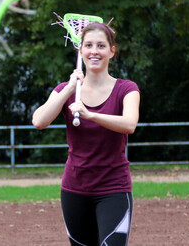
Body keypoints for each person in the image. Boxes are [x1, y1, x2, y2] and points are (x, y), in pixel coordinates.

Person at [32, 21, 140, 246]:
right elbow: (39, 121)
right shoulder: (66, 89)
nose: (94, 51)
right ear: (80, 51)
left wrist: (90, 115)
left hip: (114, 189)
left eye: (101, 46)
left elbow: (129, 124)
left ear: (112, 51)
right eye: (88, 45)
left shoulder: (127, 89)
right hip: (74, 189)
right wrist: (69, 90)